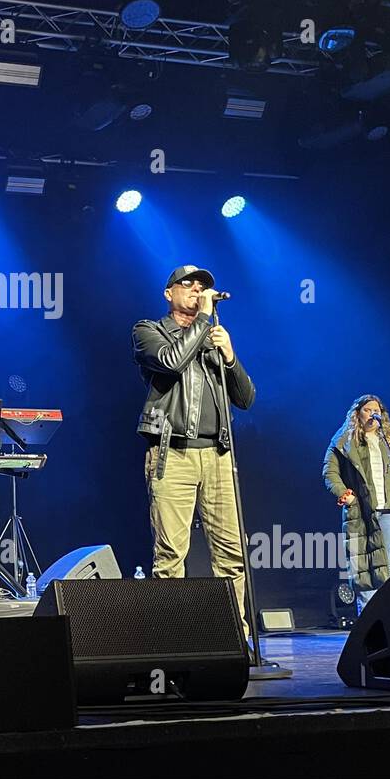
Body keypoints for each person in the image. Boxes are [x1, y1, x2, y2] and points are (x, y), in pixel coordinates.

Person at [133, 265, 256, 634]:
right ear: (168, 293)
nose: (196, 289)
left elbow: (246, 399)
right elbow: (171, 363)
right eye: (187, 284)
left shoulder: (213, 340)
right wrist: (202, 320)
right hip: (173, 453)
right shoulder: (148, 331)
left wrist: (230, 356)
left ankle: (238, 637)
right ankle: (174, 639)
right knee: (171, 556)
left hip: (218, 455)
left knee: (232, 555)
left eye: (202, 286)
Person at [323, 394, 390, 611]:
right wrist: (344, 493)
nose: (372, 414)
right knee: (364, 569)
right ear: (357, 414)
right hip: (361, 512)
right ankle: (368, 625)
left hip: (388, 512)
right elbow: (329, 471)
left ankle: (388, 618)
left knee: (385, 568)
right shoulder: (343, 442)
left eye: (376, 410)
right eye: (367, 410)